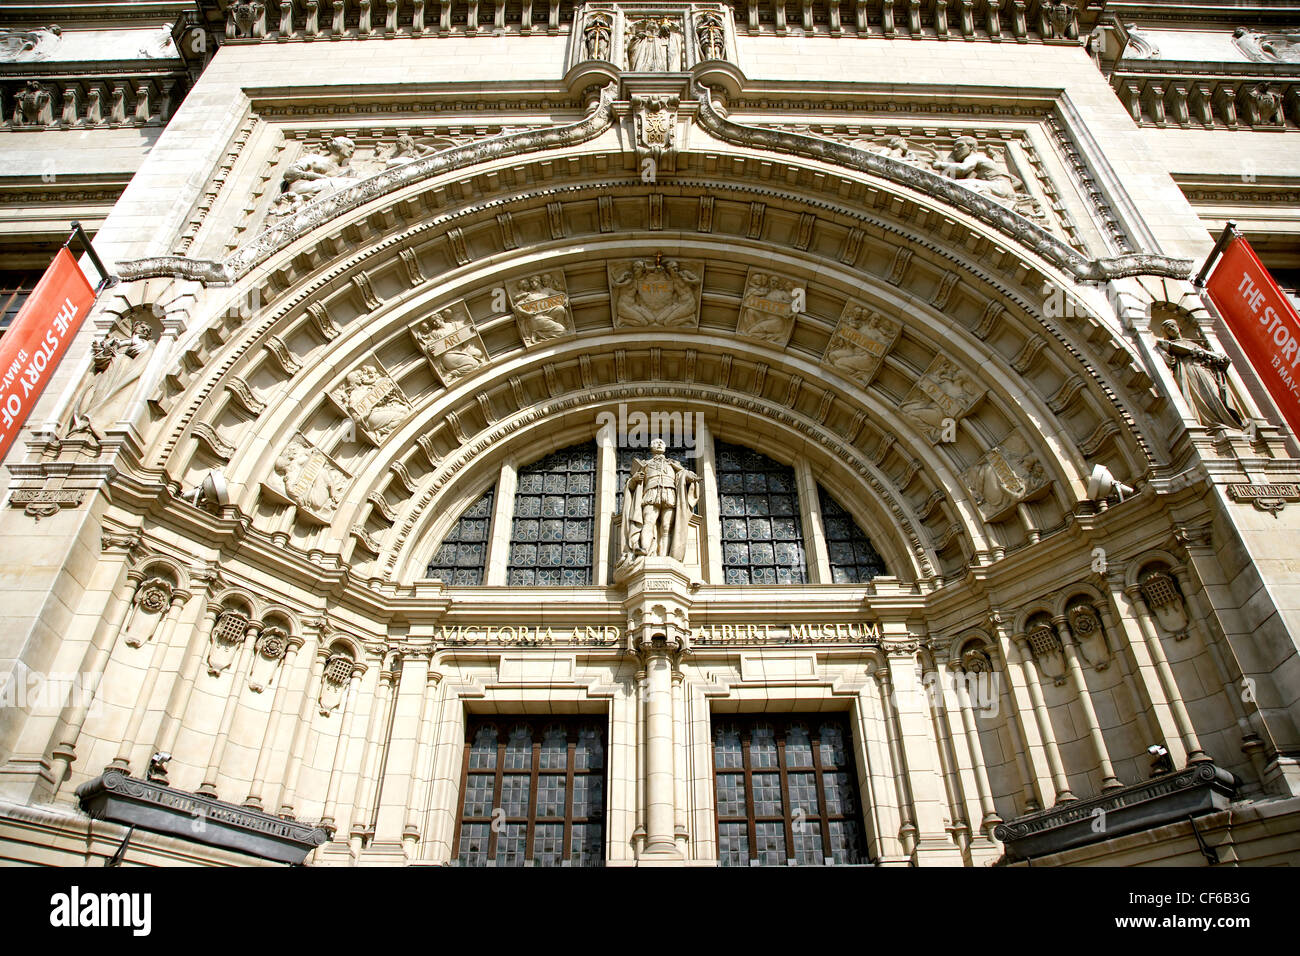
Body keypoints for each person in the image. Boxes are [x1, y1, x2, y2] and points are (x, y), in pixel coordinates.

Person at [1155, 319, 1244, 429]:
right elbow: (1170, 361)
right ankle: (1210, 424)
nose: (1171, 329)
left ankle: (1226, 422)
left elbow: (1209, 357)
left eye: (1172, 326)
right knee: (1200, 396)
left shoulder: (1193, 343)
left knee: (1214, 393)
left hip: (1204, 369)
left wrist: (1216, 358)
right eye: (1168, 329)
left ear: (1178, 327)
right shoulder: (1172, 345)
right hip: (1189, 369)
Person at [620, 438, 700, 562]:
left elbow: (683, 475)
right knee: (648, 521)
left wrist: (690, 476)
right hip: (650, 493)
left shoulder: (673, 464)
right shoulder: (644, 464)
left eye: (661, 443)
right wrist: (634, 479)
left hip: (670, 493)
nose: (659, 444)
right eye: (655, 443)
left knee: (666, 527)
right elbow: (630, 487)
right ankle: (644, 550)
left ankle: (664, 558)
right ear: (651, 447)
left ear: (665, 447)